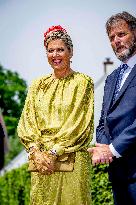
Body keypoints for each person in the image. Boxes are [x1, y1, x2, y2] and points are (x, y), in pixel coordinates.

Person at [17, 25, 94, 205]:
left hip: (72, 161)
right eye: (50, 50)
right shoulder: (37, 85)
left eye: (60, 49)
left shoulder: (83, 82)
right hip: (41, 164)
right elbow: (27, 121)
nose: (55, 55)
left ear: (71, 52)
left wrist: (54, 153)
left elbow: (79, 123)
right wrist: (35, 152)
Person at [88, 11, 136, 205]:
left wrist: (112, 149)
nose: (116, 40)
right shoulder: (111, 79)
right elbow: (102, 123)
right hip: (117, 174)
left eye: (121, 34)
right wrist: (103, 149)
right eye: (111, 38)